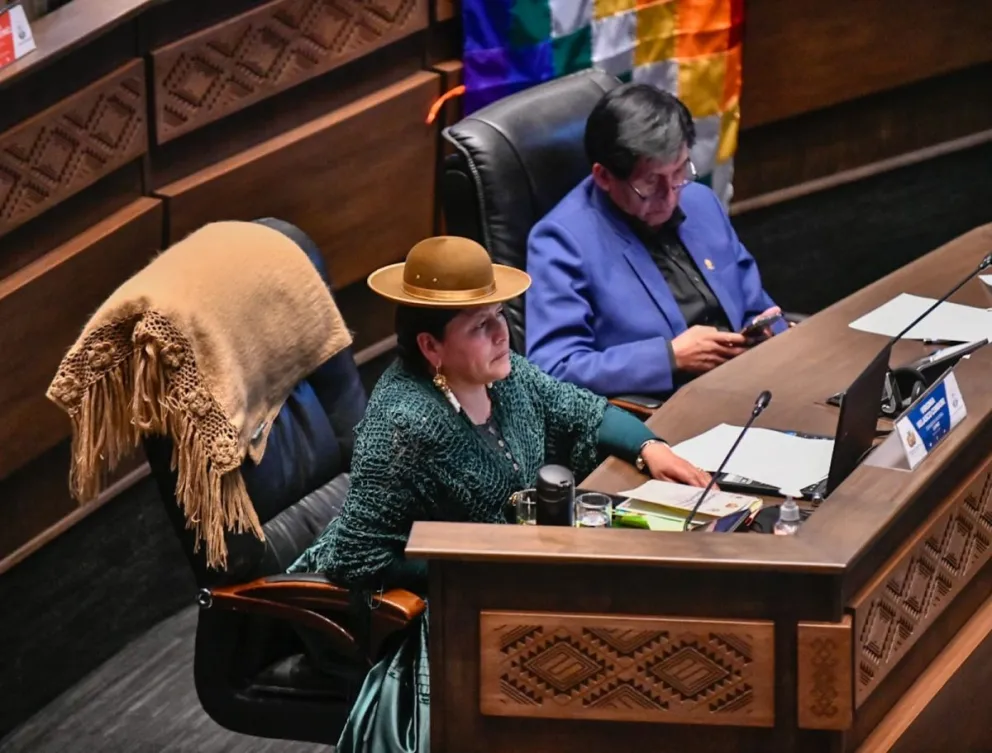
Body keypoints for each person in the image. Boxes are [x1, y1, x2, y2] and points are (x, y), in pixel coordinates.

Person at [289, 236, 710, 752]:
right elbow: (357, 559)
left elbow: (581, 409)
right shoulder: (402, 423)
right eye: (480, 326)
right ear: (431, 347)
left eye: (500, 315)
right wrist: (477, 562)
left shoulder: (503, 376)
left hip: (509, 576)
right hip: (426, 608)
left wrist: (651, 449)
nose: (501, 333)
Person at [525, 83, 787, 400]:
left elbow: (755, 305)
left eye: (679, 172)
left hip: (752, 383)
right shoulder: (561, 242)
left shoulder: (700, 201)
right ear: (604, 177)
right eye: (650, 183)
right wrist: (670, 358)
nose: (671, 196)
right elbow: (553, 368)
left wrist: (770, 330)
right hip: (667, 410)